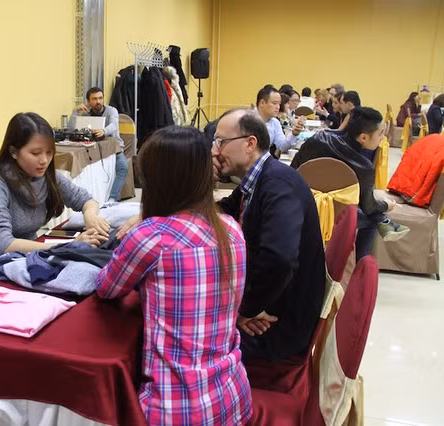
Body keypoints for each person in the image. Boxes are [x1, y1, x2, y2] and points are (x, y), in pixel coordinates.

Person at [96, 125, 252, 425]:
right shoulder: (231, 229)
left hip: (174, 409)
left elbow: (107, 287)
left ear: (156, 181)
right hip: (232, 399)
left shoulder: (151, 236)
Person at [212, 109, 325, 362]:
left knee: (185, 335)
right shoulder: (257, 178)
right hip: (267, 301)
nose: (215, 152)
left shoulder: (278, 184)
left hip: (275, 323)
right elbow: (222, 211)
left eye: (221, 142)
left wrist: (245, 309)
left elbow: (280, 258)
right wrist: (203, 182)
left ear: (250, 143)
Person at [0, 112, 110, 255]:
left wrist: (90, 216)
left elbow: (86, 200)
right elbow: (1, 244)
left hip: (29, 253)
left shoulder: (48, 176)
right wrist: (67, 246)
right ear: (14, 152)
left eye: (49, 152)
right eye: (35, 153)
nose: (44, 160)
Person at [291, 107, 410, 260]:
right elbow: (368, 206)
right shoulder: (364, 167)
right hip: (337, 217)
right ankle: (361, 263)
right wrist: (386, 205)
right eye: (381, 133)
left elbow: (293, 170)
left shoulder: (317, 139)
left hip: (300, 207)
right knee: (373, 218)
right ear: (363, 137)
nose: (383, 137)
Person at [69, 87, 128, 203]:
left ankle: (112, 198)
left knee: (123, 167)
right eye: (94, 99)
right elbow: (72, 129)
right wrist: (75, 112)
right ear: (88, 101)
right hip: (91, 150)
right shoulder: (85, 113)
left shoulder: (111, 110)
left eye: (100, 98)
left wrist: (104, 131)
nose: (98, 101)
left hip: (114, 149)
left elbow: (114, 125)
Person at [256, 86, 303, 153]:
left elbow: (282, 147)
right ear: (262, 103)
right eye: (274, 103)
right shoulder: (247, 121)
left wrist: (293, 134)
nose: (278, 107)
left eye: (279, 104)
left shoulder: (275, 122)